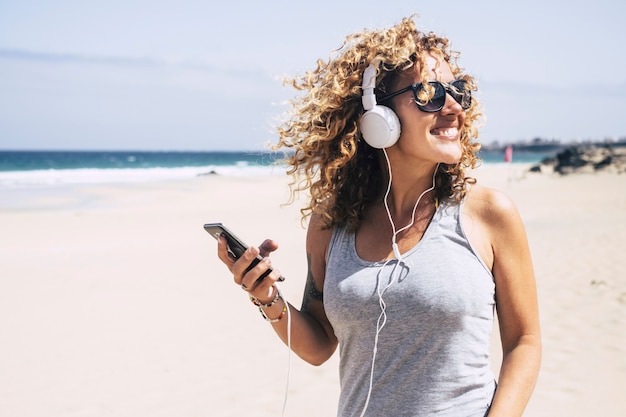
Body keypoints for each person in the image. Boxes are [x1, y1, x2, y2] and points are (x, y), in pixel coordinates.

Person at [216, 15, 541, 417]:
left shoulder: (490, 215)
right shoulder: (329, 224)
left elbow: (525, 342)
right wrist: (265, 296)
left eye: (459, 92)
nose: (454, 106)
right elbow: (319, 345)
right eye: (429, 93)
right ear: (377, 117)